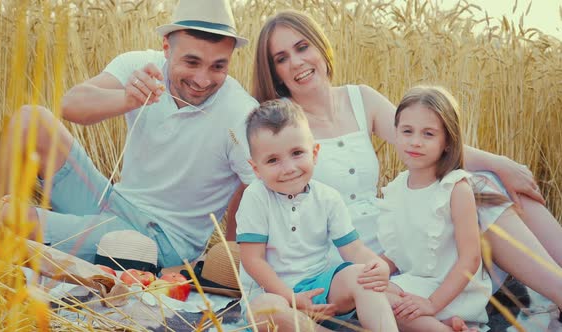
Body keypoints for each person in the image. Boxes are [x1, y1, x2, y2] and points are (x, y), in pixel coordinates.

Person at [252, 9, 562, 313]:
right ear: (274, 71)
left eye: (302, 47)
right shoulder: (281, 123)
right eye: (281, 58)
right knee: (480, 185)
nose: (296, 62)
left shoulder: (360, 98)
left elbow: (435, 146)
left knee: (488, 184)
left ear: (320, 46)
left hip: (392, 230)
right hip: (345, 254)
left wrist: (501, 164)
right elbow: (261, 195)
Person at [0, 0, 257, 271]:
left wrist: (228, 259)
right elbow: (69, 105)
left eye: (218, 66)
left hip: (160, 241)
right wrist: (128, 99)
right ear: (166, 48)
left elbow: (257, 192)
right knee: (30, 120)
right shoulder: (142, 66)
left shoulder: (241, 114)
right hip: (111, 201)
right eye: (192, 62)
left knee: (9, 220)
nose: (203, 79)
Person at [236, 99, 398, 332]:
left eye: (297, 153)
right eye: (273, 160)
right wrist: (290, 298)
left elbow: (353, 249)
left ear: (314, 153)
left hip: (320, 292)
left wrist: (376, 265)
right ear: (256, 169)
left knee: (361, 277)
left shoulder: (328, 197)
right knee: (267, 311)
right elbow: (253, 260)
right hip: (273, 294)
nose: (289, 168)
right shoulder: (256, 197)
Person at [379, 86, 507, 331]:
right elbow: (397, 251)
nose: (415, 142)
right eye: (407, 131)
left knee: (381, 302)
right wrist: (372, 268)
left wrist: (431, 303)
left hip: (452, 290)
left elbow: (470, 259)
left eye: (428, 134)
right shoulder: (396, 188)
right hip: (416, 283)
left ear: (447, 141)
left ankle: (438, 324)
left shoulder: (454, 188)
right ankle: (444, 326)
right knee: (362, 287)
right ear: (395, 133)